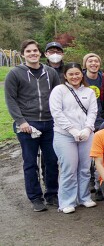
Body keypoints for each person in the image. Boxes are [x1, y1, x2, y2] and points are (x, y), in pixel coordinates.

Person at [5, 39, 61, 211]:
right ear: (23, 54)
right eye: (28, 51)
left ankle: (52, 194)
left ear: (40, 53)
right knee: (30, 162)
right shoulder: (15, 74)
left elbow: (57, 96)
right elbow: (11, 99)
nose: (33, 54)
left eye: (35, 51)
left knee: (52, 160)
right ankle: (35, 197)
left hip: (49, 123)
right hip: (28, 125)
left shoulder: (50, 72)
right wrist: (21, 121)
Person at [49, 63, 98, 214]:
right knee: (68, 169)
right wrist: (73, 130)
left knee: (84, 168)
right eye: (71, 74)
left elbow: (92, 112)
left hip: (86, 135)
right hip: (65, 135)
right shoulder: (59, 91)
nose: (74, 77)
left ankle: (84, 197)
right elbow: (57, 113)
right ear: (65, 75)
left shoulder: (89, 92)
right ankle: (67, 202)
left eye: (77, 73)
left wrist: (88, 129)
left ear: (81, 74)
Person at [82, 53, 104, 126]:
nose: (93, 63)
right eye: (90, 61)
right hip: (82, 120)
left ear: (99, 64)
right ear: (85, 64)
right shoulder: (79, 79)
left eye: (96, 61)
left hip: (101, 119)